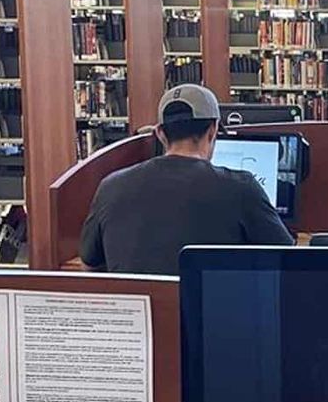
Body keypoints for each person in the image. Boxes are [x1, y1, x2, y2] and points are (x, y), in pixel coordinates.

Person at [80, 84, 293, 274]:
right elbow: (288, 260)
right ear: (213, 130)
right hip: (210, 317)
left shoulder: (110, 186)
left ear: (160, 134)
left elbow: (89, 264)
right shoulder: (241, 187)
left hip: (140, 317)